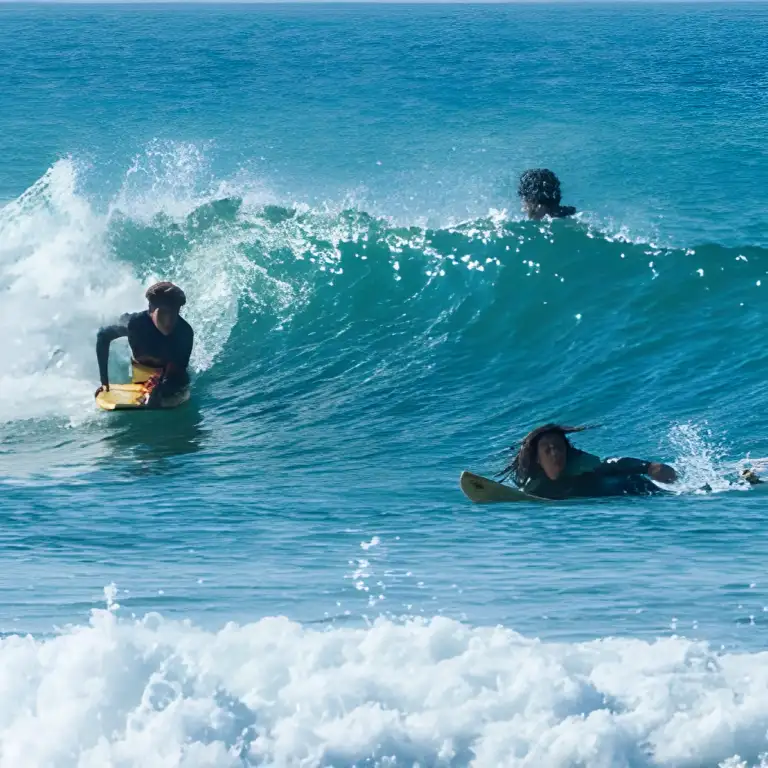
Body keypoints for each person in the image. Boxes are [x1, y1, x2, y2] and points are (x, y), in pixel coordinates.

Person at [496, 424, 677, 499]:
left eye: (558, 447)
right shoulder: (534, 487)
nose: (555, 453)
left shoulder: (582, 467)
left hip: (636, 489)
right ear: (538, 458)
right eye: (547, 450)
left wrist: (647, 467)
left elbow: (613, 464)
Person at [95, 282, 193, 407]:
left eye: (174, 313)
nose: (168, 321)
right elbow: (103, 336)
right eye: (163, 312)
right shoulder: (134, 324)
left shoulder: (184, 332)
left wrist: (160, 387)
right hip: (141, 366)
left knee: (179, 384)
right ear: (150, 308)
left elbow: (177, 370)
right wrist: (104, 381)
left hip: (166, 370)